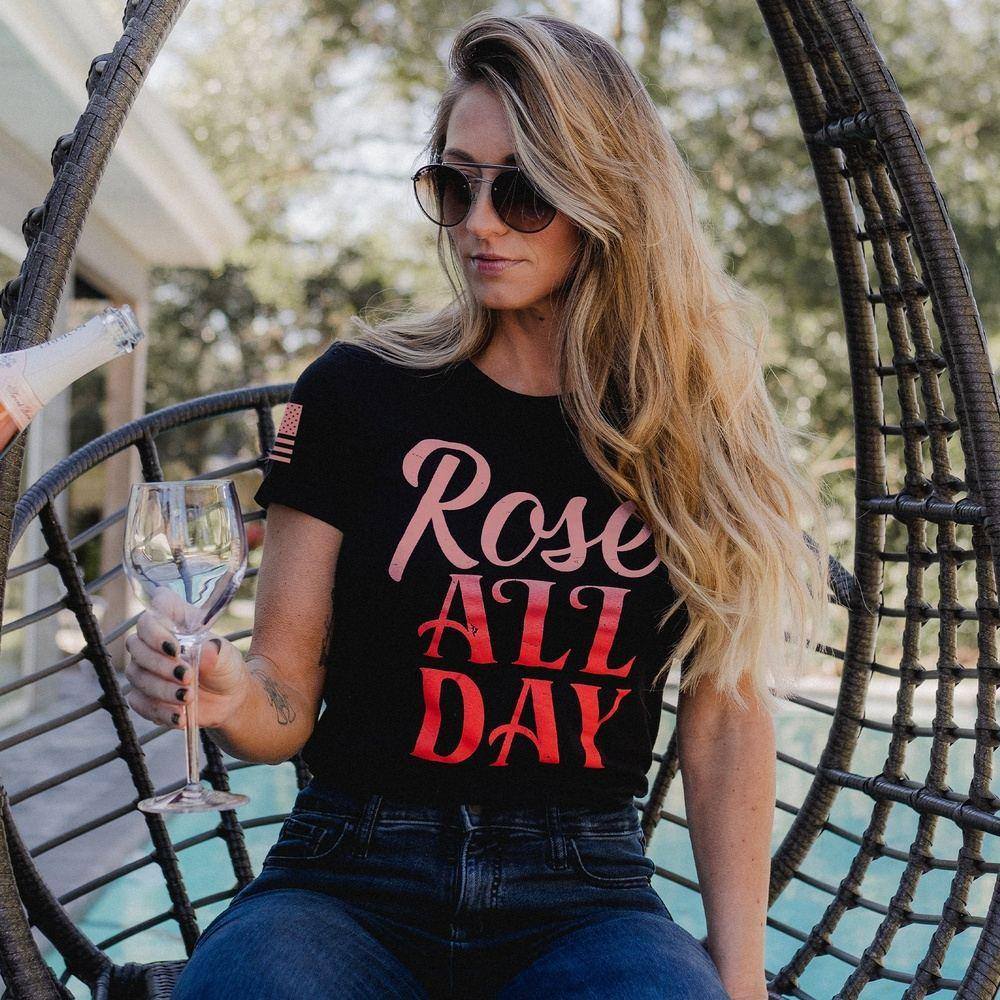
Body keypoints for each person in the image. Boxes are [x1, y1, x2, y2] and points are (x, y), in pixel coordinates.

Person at [126, 12, 829, 1000]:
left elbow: (724, 726)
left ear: (606, 197)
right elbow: (282, 701)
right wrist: (226, 690)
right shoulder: (356, 393)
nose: (479, 223)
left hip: (585, 893)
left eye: (524, 191)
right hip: (348, 872)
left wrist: (742, 986)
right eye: (457, 185)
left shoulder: (694, 427)